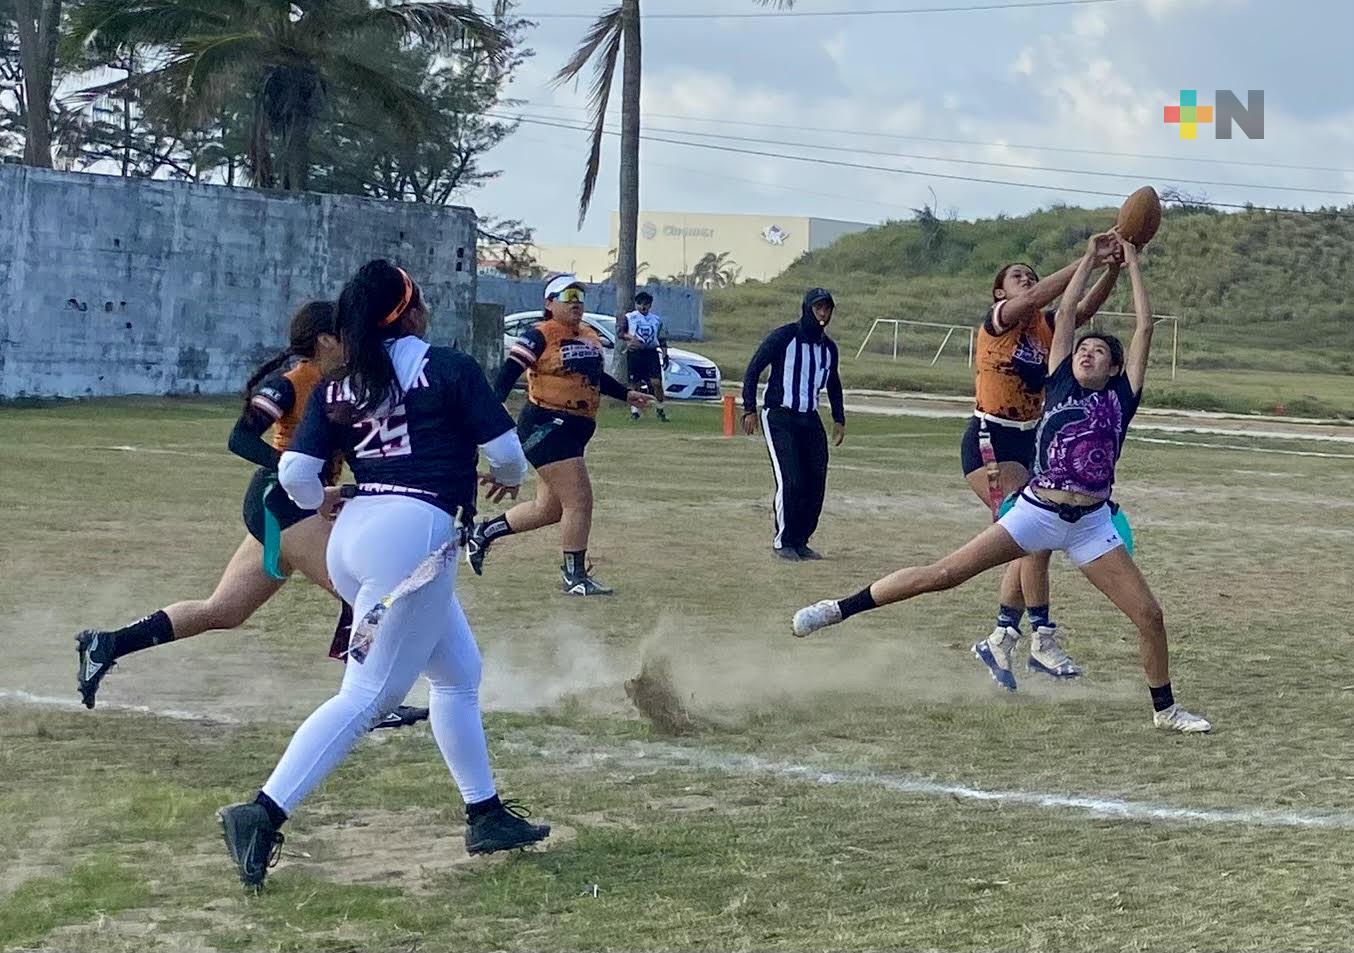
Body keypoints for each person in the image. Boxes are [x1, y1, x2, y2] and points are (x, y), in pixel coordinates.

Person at [791, 232, 1211, 734]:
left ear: (1116, 368)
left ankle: (1164, 711)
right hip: (1038, 510)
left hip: (1091, 524)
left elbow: (1143, 327)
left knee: (1150, 615)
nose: (1087, 353)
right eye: (1083, 348)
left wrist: (1132, 264)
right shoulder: (1058, 377)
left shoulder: (1123, 397)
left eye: (1099, 352)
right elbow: (1070, 305)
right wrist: (1090, 259)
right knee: (944, 575)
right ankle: (837, 609)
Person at [217, 260, 549, 892]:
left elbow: (292, 476)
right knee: (369, 696)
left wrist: (325, 498)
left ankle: (484, 813)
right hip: (414, 537)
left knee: (457, 674)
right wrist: (504, 481)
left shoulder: (341, 380)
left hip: (356, 534)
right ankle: (261, 812)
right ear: (412, 311)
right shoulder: (446, 366)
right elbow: (507, 455)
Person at [73, 301, 427, 731]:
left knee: (223, 610)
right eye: (346, 334)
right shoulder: (294, 382)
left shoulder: (340, 383)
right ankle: (371, 701)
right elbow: (240, 438)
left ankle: (106, 644)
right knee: (364, 595)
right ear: (325, 340)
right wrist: (292, 471)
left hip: (286, 507)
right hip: (278, 506)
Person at [964, 250, 1122, 688]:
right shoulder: (999, 318)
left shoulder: (1043, 326)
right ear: (1000, 291)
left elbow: (1084, 307)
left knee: (1032, 539)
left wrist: (1110, 268)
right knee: (1035, 538)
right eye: (1017, 276)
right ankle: (1040, 639)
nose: (1027, 280)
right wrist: (1091, 255)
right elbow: (1043, 294)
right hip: (991, 438)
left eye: (1030, 275)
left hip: (1029, 438)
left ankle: (1001, 638)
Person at [466, 274, 650, 595]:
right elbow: (508, 373)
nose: (576, 302)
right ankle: (574, 577)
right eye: (568, 296)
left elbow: (595, 376)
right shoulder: (539, 334)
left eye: (580, 295)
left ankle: (482, 533)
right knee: (579, 500)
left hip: (576, 427)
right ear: (549, 303)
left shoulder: (587, 333)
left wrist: (626, 394)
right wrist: (492, 413)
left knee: (548, 509)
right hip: (548, 425)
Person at [741, 288, 845, 561]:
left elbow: (833, 382)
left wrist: (839, 418)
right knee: (791, 479)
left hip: (809, 418)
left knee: (815, 480)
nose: (823, 314)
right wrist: (749, 408)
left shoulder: (828, 348)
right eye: (818, 308)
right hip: (779, 416)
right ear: (807, 309)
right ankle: (783, 541)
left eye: (827, 309)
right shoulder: (784, 337)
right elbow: (754, 368)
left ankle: (801, 539)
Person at [622, 291, 669, 422]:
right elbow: (621, 332)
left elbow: (662, 338)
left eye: (646, 304)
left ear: (650, 305)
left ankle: (660, 409)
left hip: (651, 352)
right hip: (635, 353)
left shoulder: (656, 320)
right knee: (634, 384)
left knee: (656, 383)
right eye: (640, 304)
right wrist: (631, 338)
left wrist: (665, 354)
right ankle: (635, 412)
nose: (643, 307)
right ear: (636, 304)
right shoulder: (629, 317)